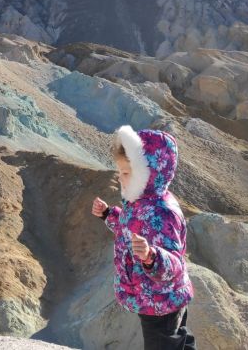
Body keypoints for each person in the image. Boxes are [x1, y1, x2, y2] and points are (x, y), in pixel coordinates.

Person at [91, 125, 196, 350]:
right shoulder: (139, 202)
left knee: (163, 345)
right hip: (154, 296)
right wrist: (108, 214)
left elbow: (175, 263)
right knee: (177, 340)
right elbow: (129, 228)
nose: (120, 179)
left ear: (149, 174)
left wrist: (152, 257)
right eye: (119, 172)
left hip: (160, 301)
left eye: (126, 173)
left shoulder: (162, 212)